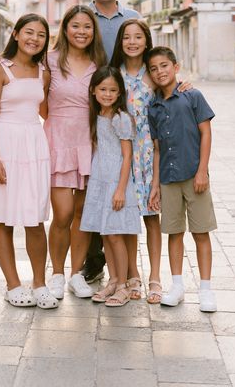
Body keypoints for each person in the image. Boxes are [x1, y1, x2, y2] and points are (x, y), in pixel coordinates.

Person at [0, 14, 58, 310]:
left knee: (35, 218)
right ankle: (12, 284)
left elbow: (47, 112)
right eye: (28, 32)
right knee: (5, 217)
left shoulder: (42, 72)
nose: (34, 39)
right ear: (15, 34)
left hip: (34, 146)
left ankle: (39, 283)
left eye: (40, 35)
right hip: (6, 146)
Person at [147, 46, 218, 313]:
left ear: (175, 67)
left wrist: (202, 170)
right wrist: (155, 185)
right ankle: (176, 285)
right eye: (153, 69)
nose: (159, 72)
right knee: (174, 233)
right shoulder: (153, 106)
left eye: (164, 66)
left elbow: (206, 134)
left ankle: (206, 289)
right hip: (168, 177)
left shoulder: (192, 96)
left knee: (201, 232)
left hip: (193, 174)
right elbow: (156, 148)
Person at [83, 0, 140, 283]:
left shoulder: (132, 19)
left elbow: (148, 56)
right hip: (92, 106)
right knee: (93, 184)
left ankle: (128, 269)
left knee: (123, 189)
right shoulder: (83, 17)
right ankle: (94, 259)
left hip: (124, 108)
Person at [44, 5, 106, 300]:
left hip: (89, 143)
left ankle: (76, 274)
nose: (81, 32)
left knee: (84, 213)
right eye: (75, 26)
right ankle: (56, 273)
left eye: (87, 27)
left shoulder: (99, 62)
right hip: (58, 141)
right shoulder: (50, 60)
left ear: (93, 32)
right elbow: (39, 100)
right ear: (65, 29)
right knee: (63, 214)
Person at [109, 18, 163, 304]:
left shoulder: (153, 75)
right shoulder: (114, 75)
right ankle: (133, 275)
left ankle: (155, 276)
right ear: (120, 42)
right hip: (124, 154)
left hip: (150, 153)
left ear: (146, 40)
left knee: (152, 216)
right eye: (127, 37)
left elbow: (174, 94)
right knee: (128, 217)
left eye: (137, 37)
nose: (132, 42)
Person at [80, 66, 141, 306]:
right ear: (93, 90)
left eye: (113, 90)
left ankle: (124, 285)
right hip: (100, 179)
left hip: (117, 181)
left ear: (119, 93)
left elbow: (127, 156)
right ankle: (113, 280)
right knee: (105, 234)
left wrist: (120, 189)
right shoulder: (97, 115)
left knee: (116, 235)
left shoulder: (120, 118)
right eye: (103, 89)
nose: (107, 94)